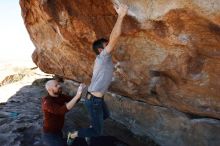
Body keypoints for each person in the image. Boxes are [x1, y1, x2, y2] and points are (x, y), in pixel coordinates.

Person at [67, 3, 128, 143]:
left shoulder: (103, 59)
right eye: (106, 45)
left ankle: (90, 128)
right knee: (97, 131)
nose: (110, 45)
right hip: (94, 100)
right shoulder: (103, 57)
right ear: (101, 50)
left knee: (105, 115)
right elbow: (115, 37)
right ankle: (73, 134)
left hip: (95, 98)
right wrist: (121, 16)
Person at [42, 79, 86, 146]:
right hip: (50, 134)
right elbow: (61, 111)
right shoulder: (47, 102)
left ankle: (72, 137)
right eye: (56, 86)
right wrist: (77, 95)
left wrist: (80, 90)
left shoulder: (60, 96)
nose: (59, 86)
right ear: (50, 90)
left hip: (59, 130)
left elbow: (75, 100)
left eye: (59, 84)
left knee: (78, 142)